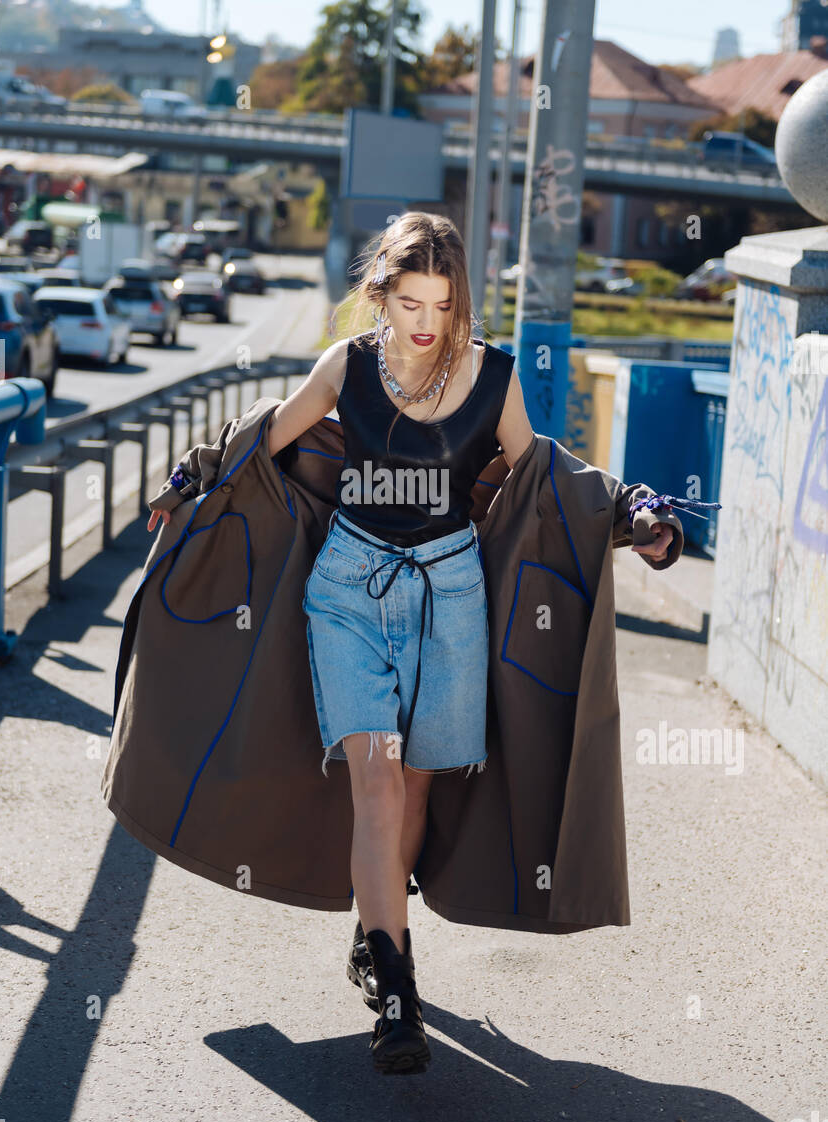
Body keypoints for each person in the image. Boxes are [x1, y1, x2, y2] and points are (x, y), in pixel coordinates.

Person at [150, 211, 676, 1076]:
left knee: (419, 787)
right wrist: (190, 479)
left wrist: (632, 513)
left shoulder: (490, 378)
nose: (426, 320)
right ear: (381, 296)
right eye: (409, 300)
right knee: (379, 779)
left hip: (453, 598)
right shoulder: (346, 368)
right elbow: (264, 442)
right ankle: (399, 992)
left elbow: (547, 478)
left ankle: (373, 932)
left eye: (441, 301)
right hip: (348, 592)